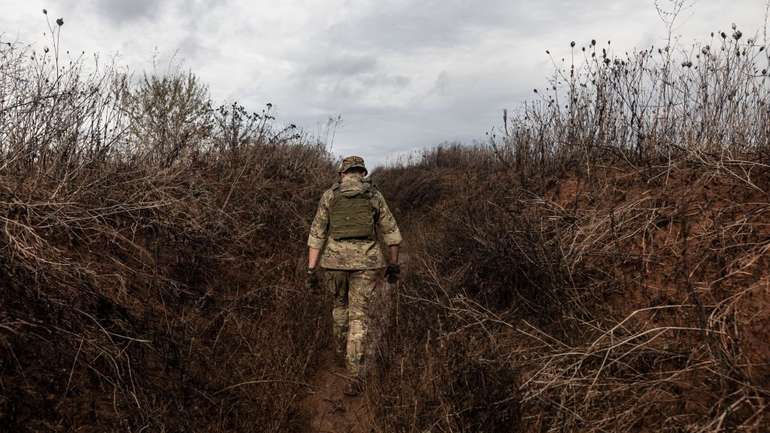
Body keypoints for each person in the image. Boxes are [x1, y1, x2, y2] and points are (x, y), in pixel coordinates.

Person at [306, 155, 402, 396]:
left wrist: (311, 269)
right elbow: (391, 233)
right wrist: (393, 264)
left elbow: (316, 235)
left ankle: (340, 350)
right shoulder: (373, 195)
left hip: (334, 263)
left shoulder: (330, 195)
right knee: (359, 316)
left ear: (342, 173)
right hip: (367, 263)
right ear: (362, 173)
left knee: (340, 306)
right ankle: (355, 375)